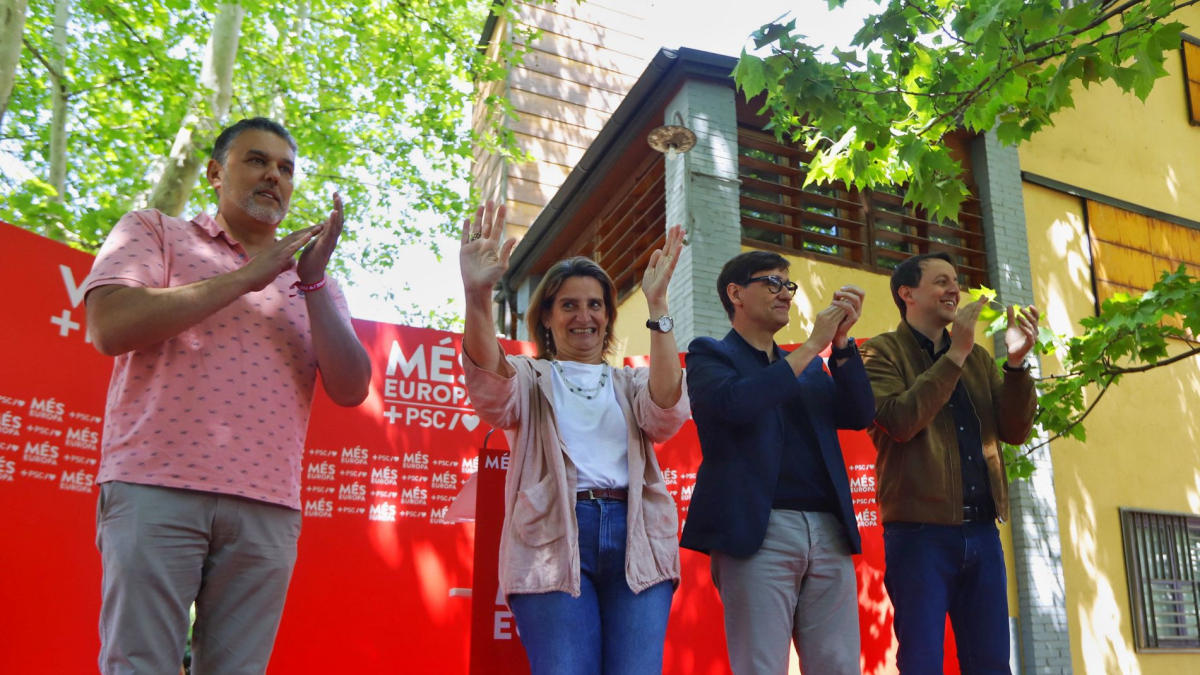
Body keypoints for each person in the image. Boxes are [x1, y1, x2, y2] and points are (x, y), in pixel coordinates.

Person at [85, 117, 372, 674]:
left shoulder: (318, 282)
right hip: (155, 485)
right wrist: (246, 276)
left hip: (267, 504)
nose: (274, 177)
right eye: (257, 161)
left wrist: (309, 283)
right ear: (216, 173)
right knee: (138, 664)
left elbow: (351, 388)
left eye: (286, 169)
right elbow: (109, 326)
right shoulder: (155, 231)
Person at [459, 201, 690, 675]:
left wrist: (659, 305)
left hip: (637, 535)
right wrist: (477, 295)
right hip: (551, 538)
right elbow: (489, 380)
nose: (584, 316)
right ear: (547, 317)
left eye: (595, 305)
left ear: (607, 317)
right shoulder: (528, 377)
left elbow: (666, 412)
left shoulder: (628, 384)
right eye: (568, 304)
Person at [681, 250, 875, 675]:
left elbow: (859, 414)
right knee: (761, 667)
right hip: (759, 530)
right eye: (772, 282)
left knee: (839, 666)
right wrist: (810, 347)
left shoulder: (805, 367)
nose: (784, 293)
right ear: (736, 293)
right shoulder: (709, 354)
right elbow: (737, 404)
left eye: (788, 285)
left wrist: (840, 345)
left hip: (828, 529)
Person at [861, 252, 1039, 675]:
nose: (954, 290)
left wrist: (1015, 365)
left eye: (956, 281)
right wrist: (954, 355)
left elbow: (1014, 431)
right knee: (922, 661)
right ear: (907, 293)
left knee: (992, 661)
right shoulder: (879, 352)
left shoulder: (978, 357)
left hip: (982, 531)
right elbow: (900, 422)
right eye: (941, 281)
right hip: (919, 535)